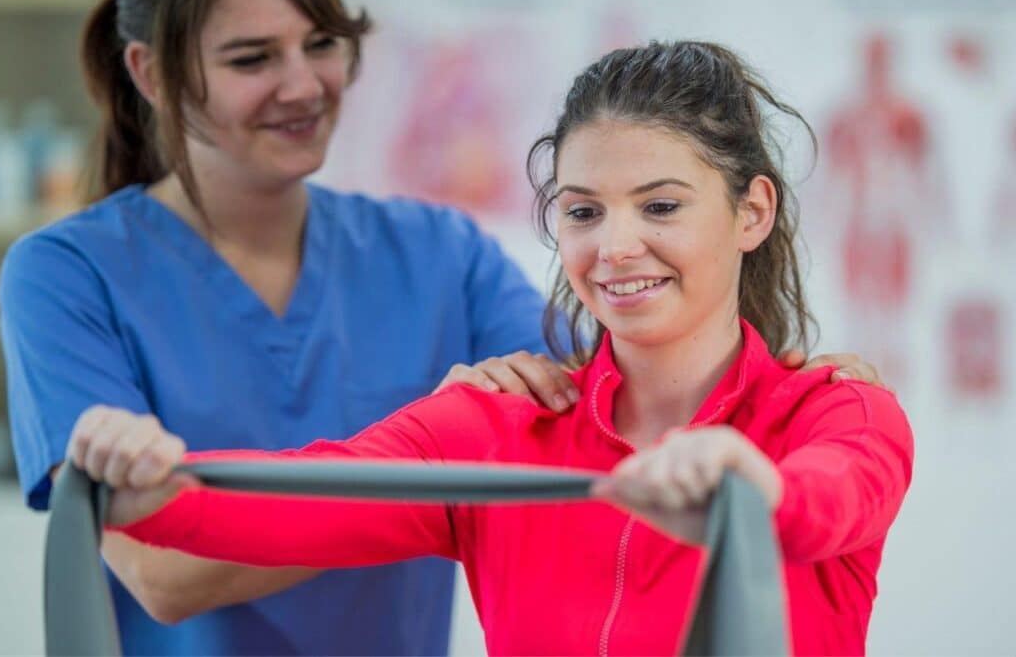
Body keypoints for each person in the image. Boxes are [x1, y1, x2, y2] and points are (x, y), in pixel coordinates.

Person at [75, 40, 914, 656]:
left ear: (751, 214)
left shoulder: (838, 413)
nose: (614, 247)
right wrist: (137, 473)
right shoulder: (497, 427)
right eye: (583, 212)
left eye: (660, 206)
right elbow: (271, 507)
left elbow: (826, 501)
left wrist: (745, 487)